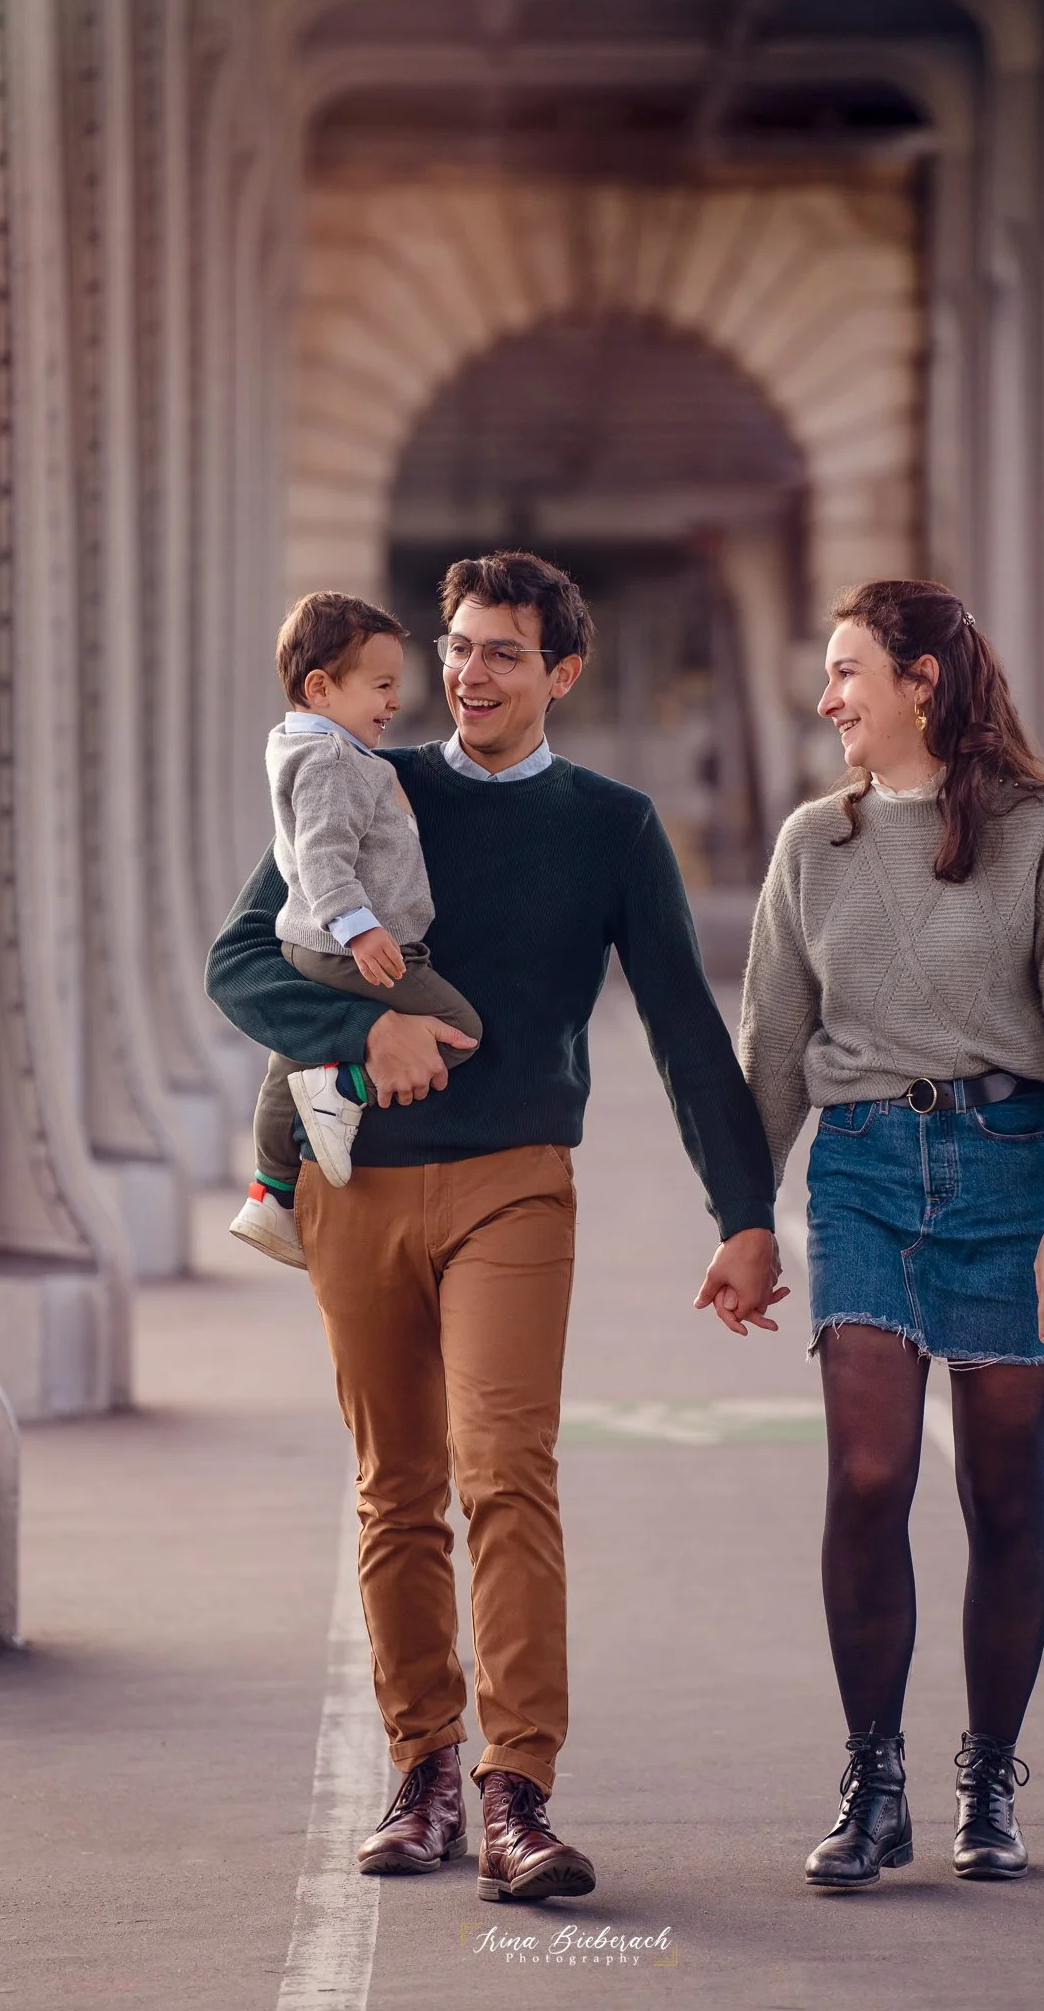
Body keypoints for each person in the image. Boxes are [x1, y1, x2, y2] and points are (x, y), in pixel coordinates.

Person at [206, 550, 781, 1902]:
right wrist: (369, 1029)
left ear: (561, 672)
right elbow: (240, 960)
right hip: (361, 1184)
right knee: (394, 1488)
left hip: (516, 1177)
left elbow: (690, 1035)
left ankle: (516, 1791)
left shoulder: (611, 825)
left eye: (501, 652)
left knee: (503, 1468)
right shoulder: (363, 779)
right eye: (456, 647)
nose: (466, 673)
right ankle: (421, 1774)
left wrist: (745, 1214)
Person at [740, 578, 1044, 1890]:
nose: (825, 698)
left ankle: (987, 1781)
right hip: (860, 1172)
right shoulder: (812, 845)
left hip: (1012, 1176)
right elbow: (773, 1051)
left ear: (920, 682)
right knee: (865, 1475)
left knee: (1000, 1491)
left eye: (846, 672)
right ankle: (871, 1778)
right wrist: (745, 1218)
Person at [229, 592, 482, 1269]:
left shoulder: (305, 751)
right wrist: (360, 929)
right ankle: (345, 1090)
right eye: (381, 686)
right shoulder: (334, 764)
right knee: (459, 1032)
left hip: (311, 945)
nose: (395, 702)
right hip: (353, 948)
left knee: (290, 1062)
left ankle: (271, 1192)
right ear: (320, 687)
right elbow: (322, 854)